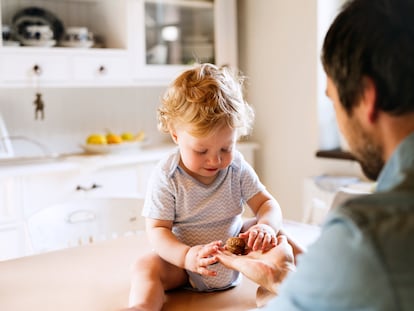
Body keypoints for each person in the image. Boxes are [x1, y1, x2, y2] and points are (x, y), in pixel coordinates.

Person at [216, 0, 414, 310]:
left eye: (333, 101)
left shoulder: (365, 236)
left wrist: (273, 291)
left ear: (366, 97)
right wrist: (283, 278)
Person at [122, 63, 283, 311]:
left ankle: (304, 282)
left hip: (236, 259)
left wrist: (266, 227)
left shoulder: (236, 168)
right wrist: (186, 256)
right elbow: (157, 230)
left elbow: (266, 204)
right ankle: (142, 306)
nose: (215, 160)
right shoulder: (168, 176)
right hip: (184, 268)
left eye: (226, 148)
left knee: (279, 237)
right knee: (145, 266)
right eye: (201, 151)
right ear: (176, 135)